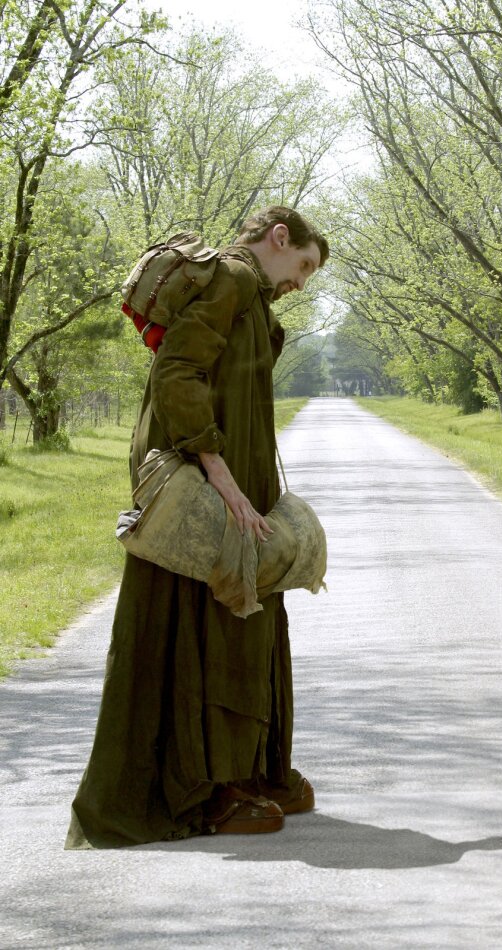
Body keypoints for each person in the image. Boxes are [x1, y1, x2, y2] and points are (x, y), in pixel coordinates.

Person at [66, 206, 329, 847]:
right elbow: (177, 373)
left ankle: (252, 771)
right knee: (206, 620)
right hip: (205, 475)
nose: (301, 282)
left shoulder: (252, 295)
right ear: (279, 238)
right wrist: (222, 477)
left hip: (236, 476)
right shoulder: (232, 280)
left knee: (244, 611)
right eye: (303, 265)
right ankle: (206, 790)